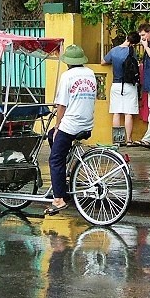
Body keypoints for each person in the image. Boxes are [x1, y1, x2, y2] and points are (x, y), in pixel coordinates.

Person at [45, 44, 96, 215]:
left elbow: (62, 105)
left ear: (68, 62)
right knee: (52, 137)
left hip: (71, 124)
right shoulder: (90, 74)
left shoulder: (67, 76)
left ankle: (59, 199)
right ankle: (63, 173)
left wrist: (58, 125)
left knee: (55, 159)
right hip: (87, 123)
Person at [101, 31, 141, 145]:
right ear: (134, 43)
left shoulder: (114, 51)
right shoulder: (132, 52)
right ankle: (128, 140)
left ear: (127, 38)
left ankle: (117, 140)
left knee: (116, 112)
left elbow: (103, 62)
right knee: (128, 113)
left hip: (116, 85)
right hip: (129, 85)